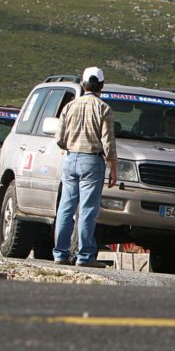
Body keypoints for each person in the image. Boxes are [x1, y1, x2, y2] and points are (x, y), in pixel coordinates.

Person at [53, 67, 117, 268]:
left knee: (66, 207)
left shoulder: (69, 106)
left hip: (71, 159)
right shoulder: (103, 108)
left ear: (83, 84)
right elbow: (108, 143)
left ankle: (60, 253)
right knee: (88, 210)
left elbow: (59, 138)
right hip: (92, 161)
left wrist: (70, 148)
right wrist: (113, 166)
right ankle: (84, 256)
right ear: (102, 86)